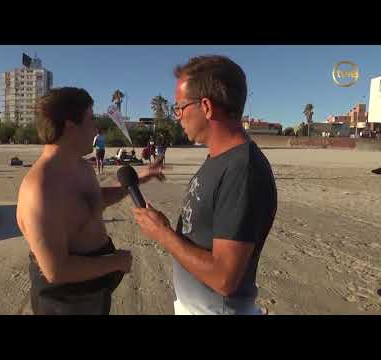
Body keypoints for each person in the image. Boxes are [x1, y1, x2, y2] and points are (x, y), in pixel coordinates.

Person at [133, 55, 277, 315]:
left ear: (207, 107)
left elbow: (224, 278)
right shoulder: (217, 159)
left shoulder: (242, 170)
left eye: (180, 107)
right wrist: (168, 229)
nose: (177, 117)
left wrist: (162, 234)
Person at [16, 87, 165, 315]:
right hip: (64, 301)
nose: (96, 128)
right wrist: (115, 262)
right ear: (70, 126)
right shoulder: (40, 188)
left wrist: (138, 178)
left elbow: (91, 203)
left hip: (94, 289)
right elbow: (56, 269)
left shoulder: (82, 166)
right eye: (91, 119)